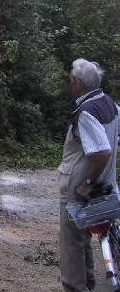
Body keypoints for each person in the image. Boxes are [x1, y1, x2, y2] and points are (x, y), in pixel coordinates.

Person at [58, 58, 119, 292]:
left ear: (78, 83)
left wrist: (87, 183)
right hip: (106, 186)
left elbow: (102, 152)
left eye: (72, 80)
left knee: (72, 243)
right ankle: (88, 283)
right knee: (82, 239)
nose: (71, 84)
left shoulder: (85, 113)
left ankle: (77, 287)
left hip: (81, 190)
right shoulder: (109, 104)